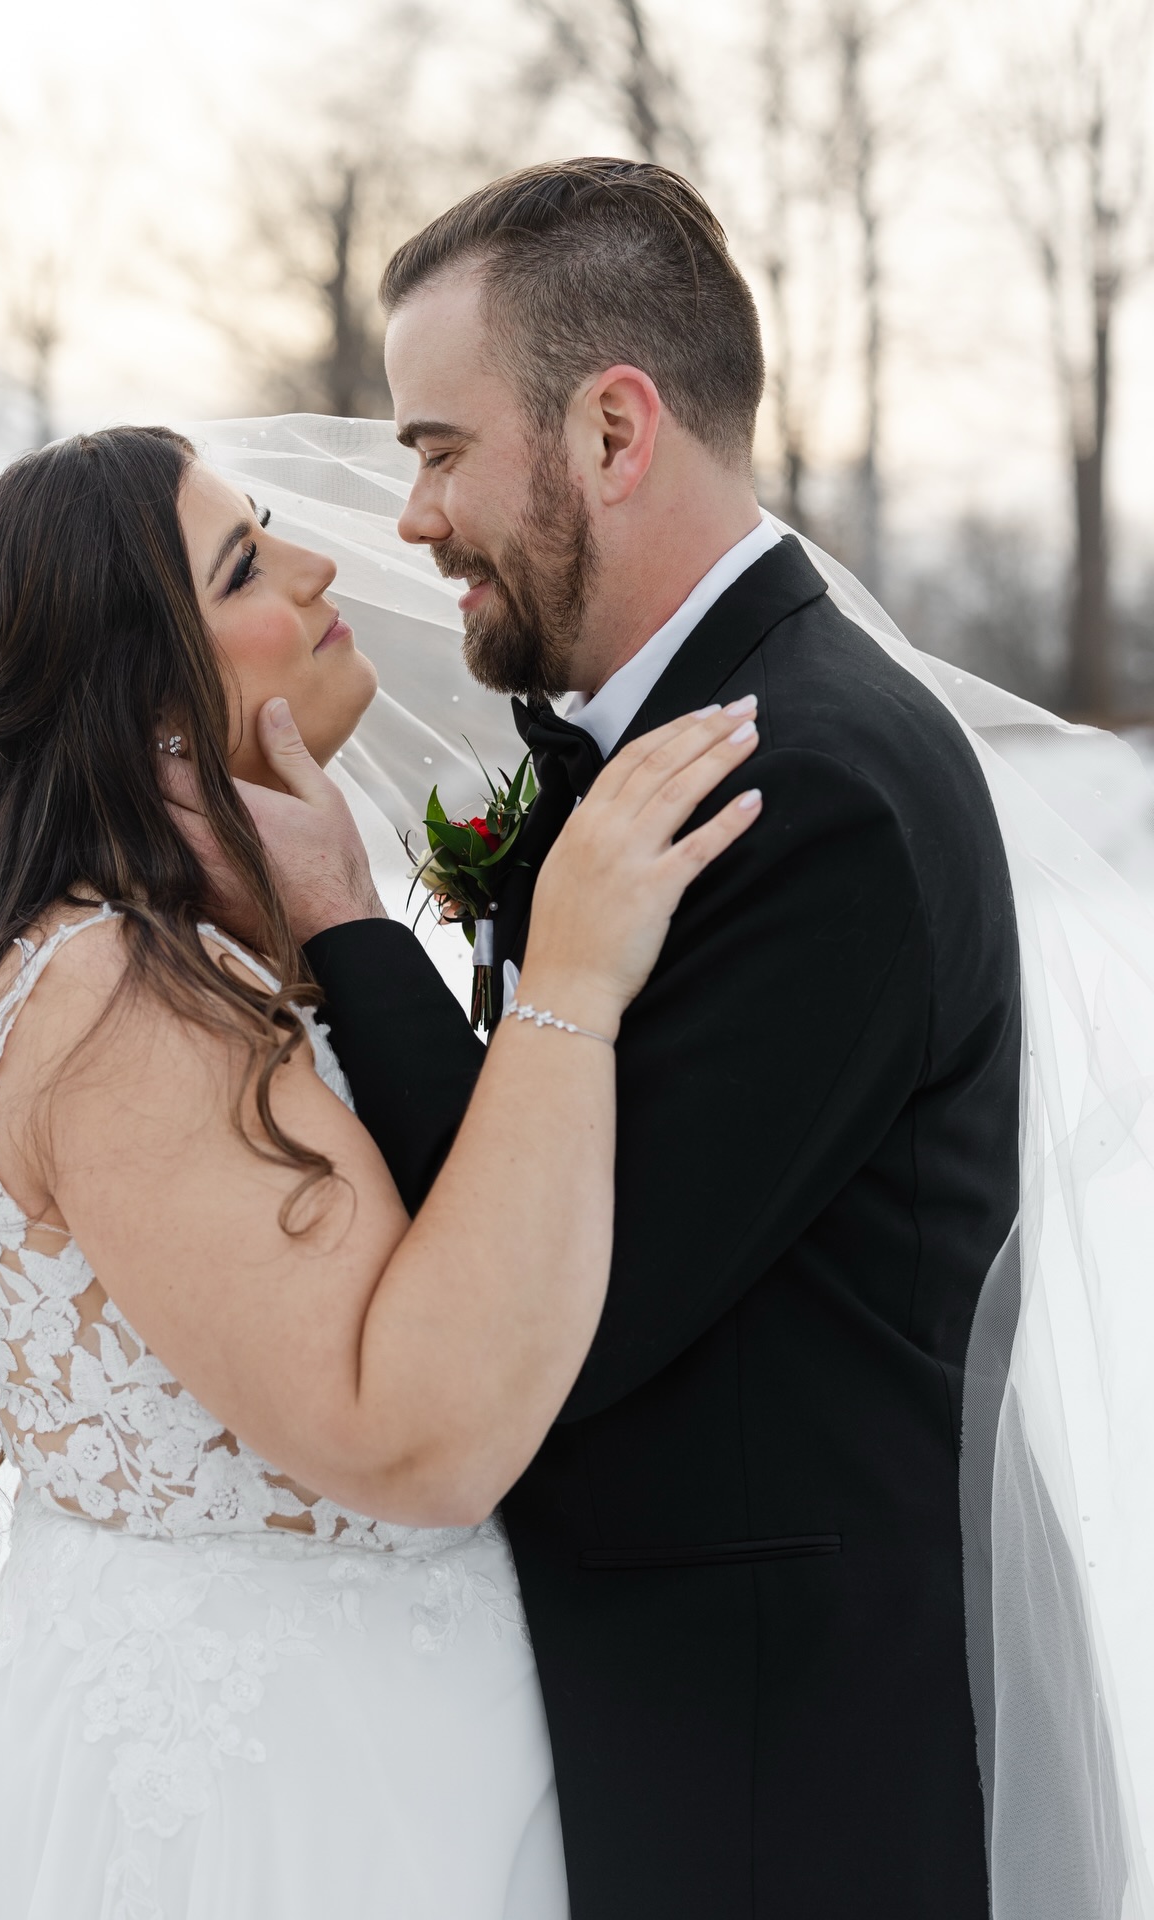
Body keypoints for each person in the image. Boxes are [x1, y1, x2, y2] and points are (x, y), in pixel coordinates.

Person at [236, 160, 1022, 1918]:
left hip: (771, 1775)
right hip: (643, 1726)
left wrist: (351, 928)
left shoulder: (810, 793)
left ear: (611, 431)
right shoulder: (660, 748)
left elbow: (547, 1312)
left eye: (438, 449)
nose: (415, 515)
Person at [0, 423, 762, 1919]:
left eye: (272, 524)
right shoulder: (119, 1002)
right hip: (287, 1820)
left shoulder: (185, 963)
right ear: (157, 711)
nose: (323, 562)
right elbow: (416, 1440)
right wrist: (574, 983)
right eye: (247, 564)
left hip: (384, 1769)